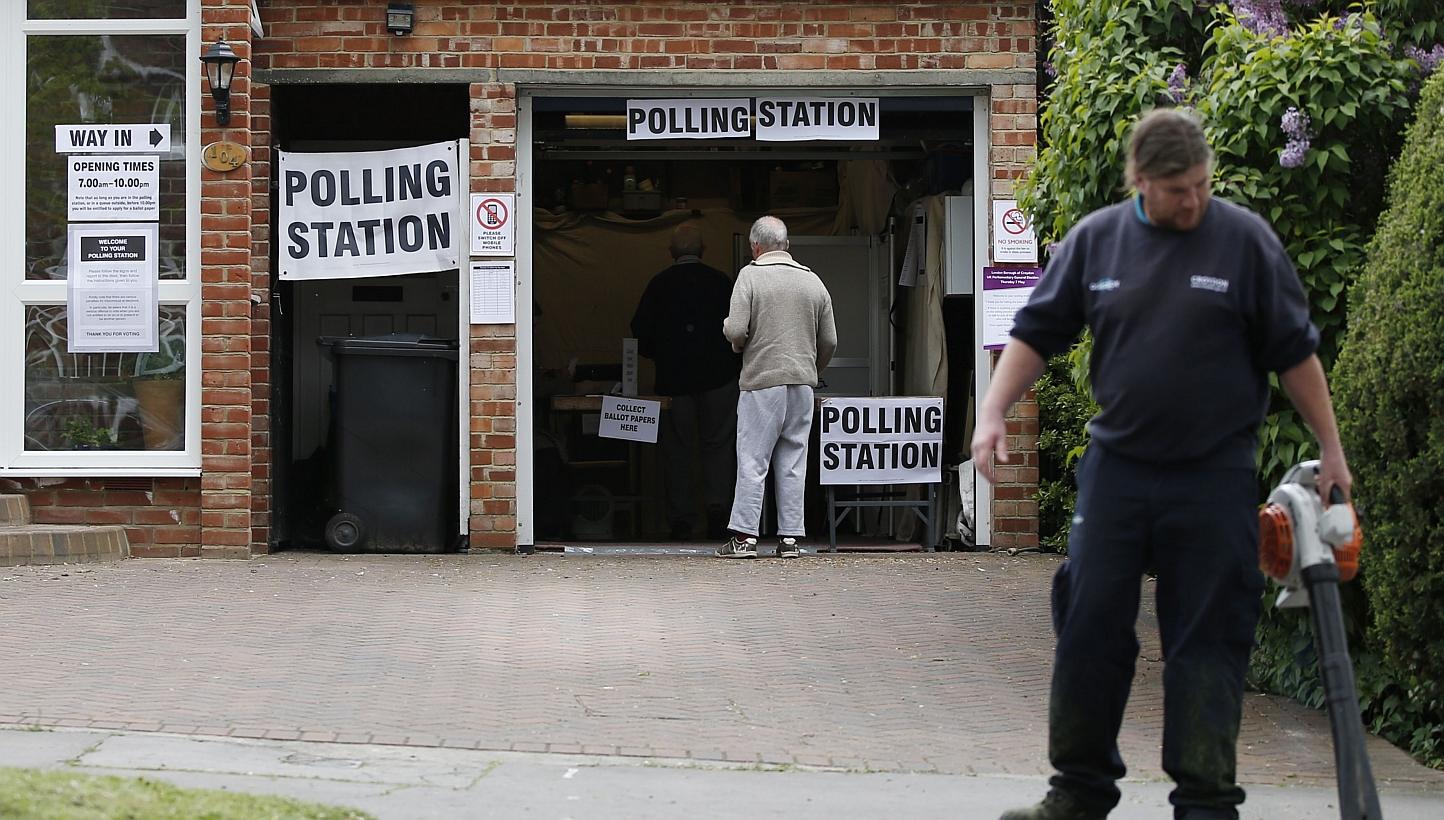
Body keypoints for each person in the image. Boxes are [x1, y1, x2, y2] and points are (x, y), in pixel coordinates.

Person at [974, 109, 1352, 820]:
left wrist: (1331, 449)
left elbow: (1295, 354)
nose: (1194, 202)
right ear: (1140, 181)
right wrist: (992, 411)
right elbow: (1036, 334)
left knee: (1208, 633)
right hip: (1119, 468)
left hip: (1212, 474)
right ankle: (1077, 794)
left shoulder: (1243, 242)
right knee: (1088, 620)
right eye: (1179, 190)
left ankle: (1206, 802)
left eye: (1204, 186)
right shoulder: (1098, 242)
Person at [719, 215, 837, 559]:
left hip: (762, 383)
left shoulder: (750, 276)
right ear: (786, 245)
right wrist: (811, 368)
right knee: (793, 462)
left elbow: (737, 330)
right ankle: (789, 540)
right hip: (802, 384)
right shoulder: (813, 282)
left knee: (753, 460)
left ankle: (744, 539)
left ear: (755, 247)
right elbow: (829, 339)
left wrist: (731, 334)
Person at [630, 222, 741, 540]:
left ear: (671, 252)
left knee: (677, 449)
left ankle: (681, 518)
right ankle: (718, 510)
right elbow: (741, 327)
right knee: (719, 445)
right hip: (719, 378)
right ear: (703, 251)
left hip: (674, 381)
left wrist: (662, 356)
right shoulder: (721, 282)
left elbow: (641, 330)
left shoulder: (659, 284)